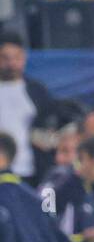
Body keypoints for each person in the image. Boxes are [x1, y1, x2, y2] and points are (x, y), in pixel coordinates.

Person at [0, 33, 81, 183]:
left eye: (16, 58)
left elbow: (60, 120)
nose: (11, 63)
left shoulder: (37, 90)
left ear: (23, 58)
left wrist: (51, 138)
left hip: (31, 169)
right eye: (5, 58)